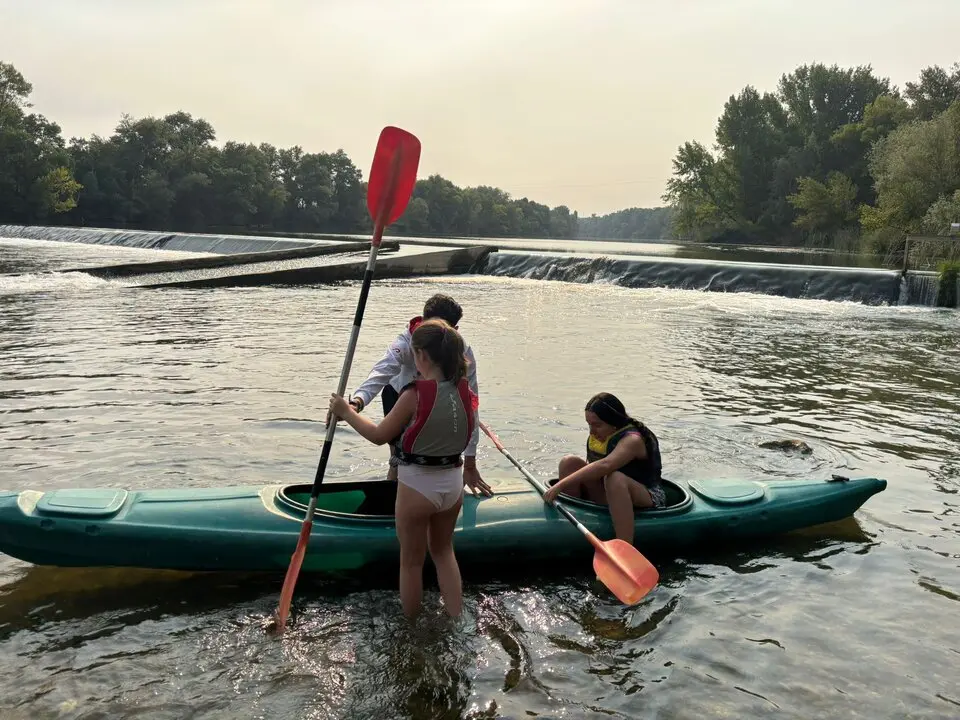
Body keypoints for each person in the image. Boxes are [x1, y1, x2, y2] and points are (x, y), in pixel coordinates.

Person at [328, 318, 477, 618]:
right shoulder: (464, 389)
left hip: (417, 488)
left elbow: (379, 435)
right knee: (444, 552)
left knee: (411, 562)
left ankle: (411, 627)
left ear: (421, 355)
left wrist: (346, 411)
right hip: (452, 486)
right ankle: (455, 618)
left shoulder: (413, 394)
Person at [343, 293, 491, 497]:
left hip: (439, 399)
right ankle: (394, 493)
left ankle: (431, 495)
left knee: (436, 453)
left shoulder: (463, 353)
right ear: (421, 322)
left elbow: (472, 407)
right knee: (399, 458)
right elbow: (381, 372)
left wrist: (470, 464)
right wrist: (357, 402)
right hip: (399, 395)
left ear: (455, 330)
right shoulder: (405, 343)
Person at [543, 392, 666, 545]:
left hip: (647, 496)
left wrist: (559, 486)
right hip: (609, 492)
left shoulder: (633, 440)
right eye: (589, 424)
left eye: (597, 425)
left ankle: (624, 545)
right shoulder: (602, 434)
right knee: (569, 463)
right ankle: (572, 524)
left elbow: (606, 465)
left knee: (615, 478)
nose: (591, 431)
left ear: (614, 422)